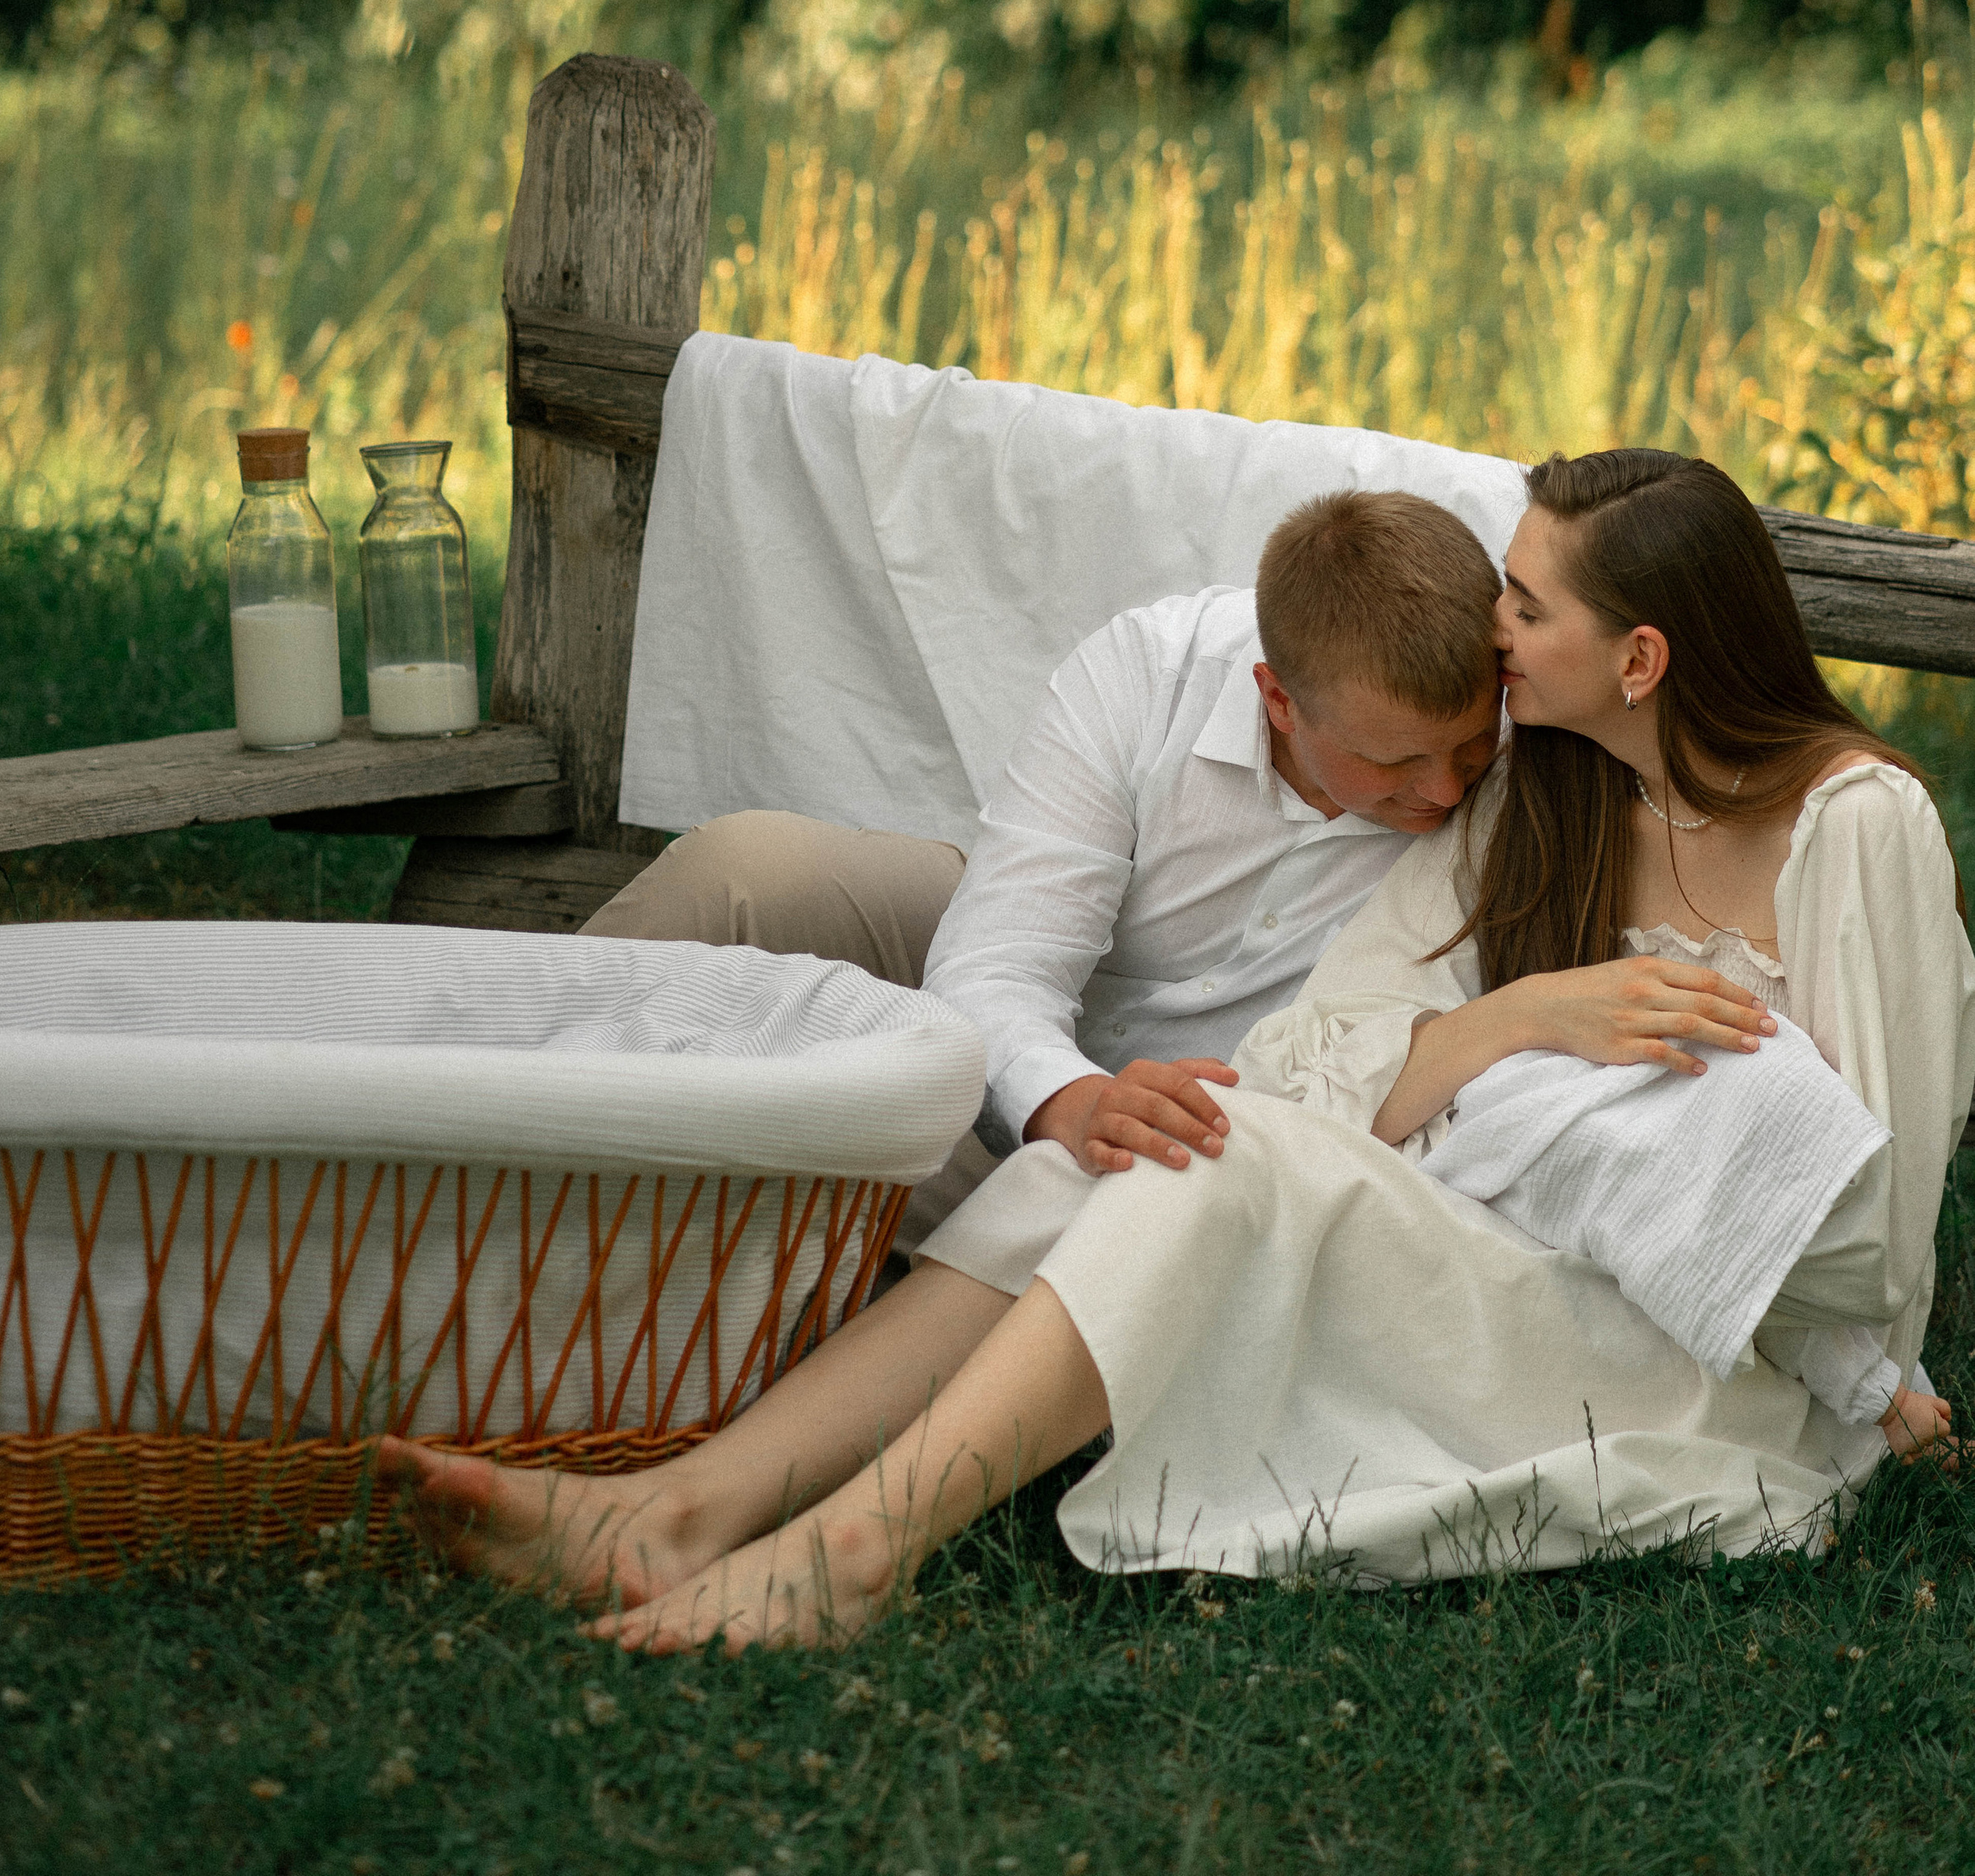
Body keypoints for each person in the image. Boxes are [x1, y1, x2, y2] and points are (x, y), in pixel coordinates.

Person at [386, 448, 1975, 1646]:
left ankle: (849, 1552)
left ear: (1636, 659)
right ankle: (685, 1505)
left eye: (1523, 605)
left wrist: (1869, 1372)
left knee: (1211, 1146)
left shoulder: (1855, 829)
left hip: (1687, 1355)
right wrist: (1513, 1020)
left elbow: (1866, 1214)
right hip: (1485, 1239)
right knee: (1180, 1133)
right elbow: (1322, 1045)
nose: (1495, 639)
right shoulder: (1537, 797)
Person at [581, 488, 1504, 1225]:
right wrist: (1064, 1096)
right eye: (1393, 762)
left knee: (836, 1167)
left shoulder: (1525, 758)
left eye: (1467, 751)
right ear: (1277, 700)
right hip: (1032, 1020)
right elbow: (998, 960)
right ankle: (478, 1103)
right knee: (745, 873)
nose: (1444, 792)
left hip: (1205, 1132)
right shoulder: (1152, 669)